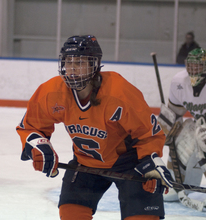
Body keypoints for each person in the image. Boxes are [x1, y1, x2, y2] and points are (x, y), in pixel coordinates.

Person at [16, 35, 173, 220]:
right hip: (85, 163)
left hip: (130, 165)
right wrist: (39, 145)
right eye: (68, 62)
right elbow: (31, 126)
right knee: (71, 214)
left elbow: (148, 133)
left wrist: (151, 161)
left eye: (80, 62)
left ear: (94, 65)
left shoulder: (119, 92)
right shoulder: (52, 92)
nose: (72, 68)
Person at [159, 48, 206, 204]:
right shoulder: (179, 81)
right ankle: (174, 184)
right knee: (181, 134)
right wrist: (166, 127)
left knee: (203, 139)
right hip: (202, 124)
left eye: (198, 65)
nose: (193, 69)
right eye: (190, 65)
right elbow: (175, 111)